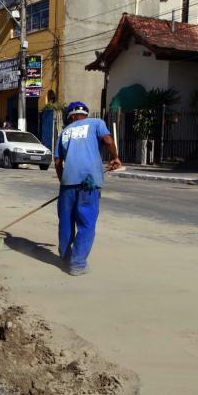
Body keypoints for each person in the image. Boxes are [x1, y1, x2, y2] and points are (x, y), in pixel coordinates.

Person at [54, 101, 121, 276]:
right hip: (89, 182)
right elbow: (107, 140)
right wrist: (115, 157)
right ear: (85, 113)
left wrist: (63, 182)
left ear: (70, 116)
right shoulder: (96, 123)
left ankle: (65, 258)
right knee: (86, 223)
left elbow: (57, 161)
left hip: (68, 183)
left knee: (66, 221)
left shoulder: (64, 132)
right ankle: (77, 265)